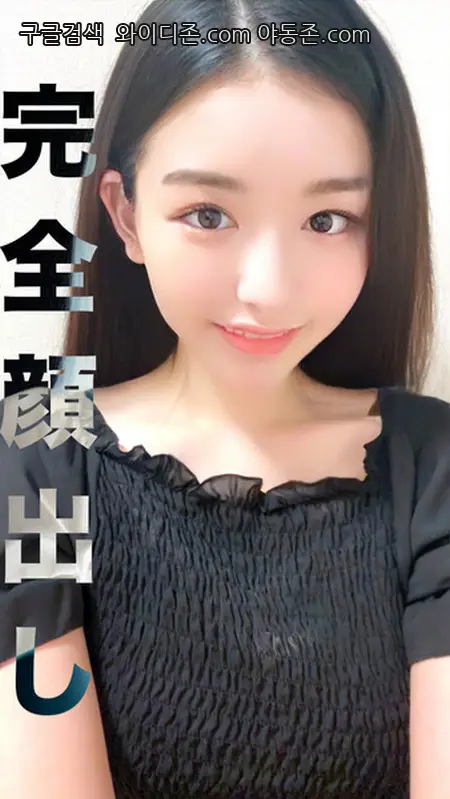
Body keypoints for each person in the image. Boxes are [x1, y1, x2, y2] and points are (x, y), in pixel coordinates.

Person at [1, 0, 450, 796]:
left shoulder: (434, 466)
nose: (267, 289)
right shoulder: (36, 452)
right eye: (208, 214)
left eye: (327, 218)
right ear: (126, 215)